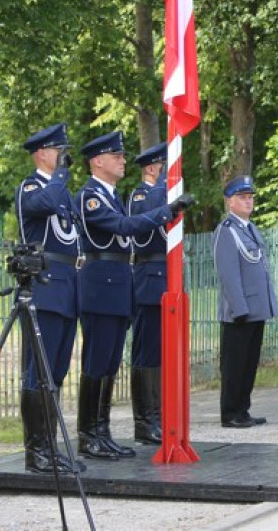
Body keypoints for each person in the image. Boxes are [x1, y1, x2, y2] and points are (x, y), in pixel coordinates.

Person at [73, 131, 191, 458]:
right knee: (97, 362)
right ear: (98, 161)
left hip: (117, 284)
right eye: (117, 156)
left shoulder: (110, 195)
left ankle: (102, 430)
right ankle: (88, 434)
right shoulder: (90, 196)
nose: (123, 160)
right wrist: (168, 211)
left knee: (110, 363)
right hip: (100, 286)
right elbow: (124, 228)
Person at [15, 123, 84, 474]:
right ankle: (36, 451)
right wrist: (60, 176)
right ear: (42, 153)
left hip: (67, 286)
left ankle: (51, 448)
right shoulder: (32, 187)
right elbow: (45, 204)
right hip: (45, 286)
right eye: (57, 150)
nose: (62, 156)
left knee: (56, 370)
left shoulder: (61, 190)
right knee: (38, 370)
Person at [214, 175, 277, 428]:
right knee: (235, 365)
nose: (248, 202)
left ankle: (243, 409)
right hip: (239, 311)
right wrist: (240, 307)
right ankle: (230, 412)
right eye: (242, 197)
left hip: (256, 308)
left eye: (250, 197)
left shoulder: (249, 229)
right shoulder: (226, 231)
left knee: (249, 363)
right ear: (230, 201)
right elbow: (229, 274)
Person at [126, 142, 169, 445]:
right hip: (148, 278)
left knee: (163, 352)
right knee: (147, 351)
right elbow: (148, 216)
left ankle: (161, 414)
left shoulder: (159, 191)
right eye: (166, 167)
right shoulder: (141, 194)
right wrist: (167, 184)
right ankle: (145, 420)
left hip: (165, 276)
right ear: (153, 167)